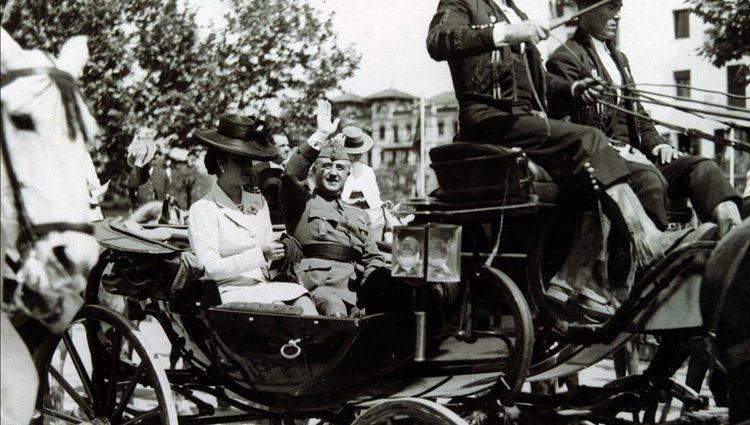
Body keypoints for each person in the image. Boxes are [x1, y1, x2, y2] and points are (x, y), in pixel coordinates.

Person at [426, 0, 698, 319]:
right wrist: (507, 32)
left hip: (521, 120)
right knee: (590, 138)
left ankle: (569, 280)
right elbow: (438, 40)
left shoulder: (514, 12)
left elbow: (540, 82)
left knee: (591, 159)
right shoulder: (465, 4)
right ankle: (646, 240)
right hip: (485, 119)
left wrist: (573, 89)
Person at [545, 0, 743, 237]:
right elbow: (571, 128)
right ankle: (653, 259)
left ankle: (735, 242)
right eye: (611, 7)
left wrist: (658, 144)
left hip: (639, 158)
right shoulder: (565, 58)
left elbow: (638, 117)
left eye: (619, 8)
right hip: (606, 164)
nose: (618, 16)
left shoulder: (620, 59)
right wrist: (618, 150)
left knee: (704, 169)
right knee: (649, 180)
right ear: (586, 9)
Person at [279, 100, 412, 317]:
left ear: (347, 174)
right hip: (319, 291)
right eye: (326, 167)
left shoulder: (358, 215)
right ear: (315, 171)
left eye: (340, 167)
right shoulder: (302, 203)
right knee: (335, 309)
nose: (333, 173)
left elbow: (373, 257)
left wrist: (373, 284)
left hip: (356, 290)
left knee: (402, 295)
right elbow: (291, 175)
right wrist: (321, 135)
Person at [187, 114, 318, 315]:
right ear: (222, 164)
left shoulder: (257, 202)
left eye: (249, 161)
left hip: (263, 285)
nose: (249, 168)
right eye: (240, 162)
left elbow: (267, 251)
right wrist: (259, 255)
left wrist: (281, 250)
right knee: (285, 313)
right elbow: (209, 268)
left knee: (305, 302)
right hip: (229, 291)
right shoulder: (203, 209)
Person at [339, 126, 387, 240]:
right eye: (353, 152)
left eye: (360, 152)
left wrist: (382, 205)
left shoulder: (368, 171)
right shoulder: (339, 169)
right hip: (346, 212)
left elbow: (375, 199)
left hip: (368, 213)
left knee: (386, 217)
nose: (357, 155)